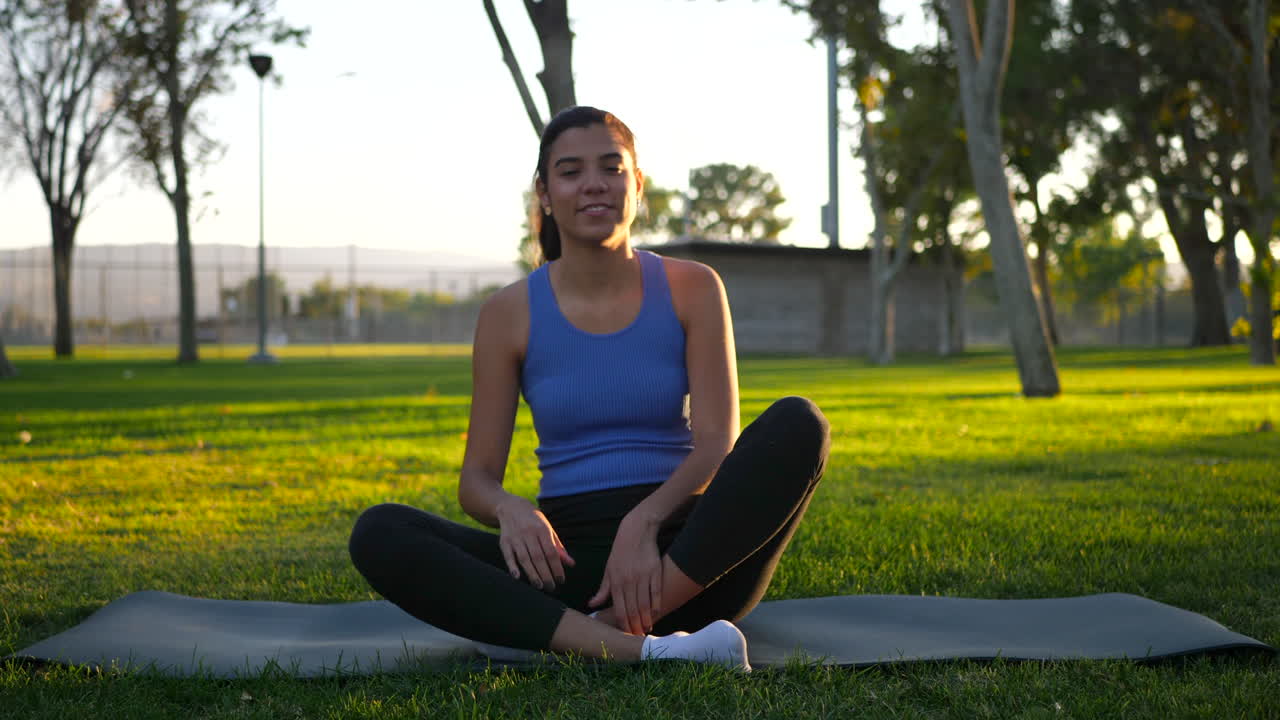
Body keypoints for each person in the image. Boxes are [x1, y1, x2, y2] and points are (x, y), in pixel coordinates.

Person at [348, 106, 830, 671]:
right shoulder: (508, 313)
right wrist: (510, 510)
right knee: (380, 531)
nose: (595, 184)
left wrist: (643, 523)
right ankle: (634, 648)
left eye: (612, 167)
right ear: (545, 193)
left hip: (691, 562)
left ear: (637, 183)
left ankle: (579, 635)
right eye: (571, 171)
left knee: (799, 423)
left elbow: (716, 444)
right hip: (563, 564)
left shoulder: (693, 287)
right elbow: (476, 481)